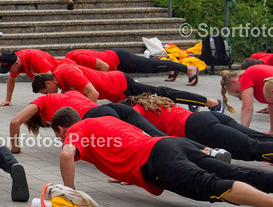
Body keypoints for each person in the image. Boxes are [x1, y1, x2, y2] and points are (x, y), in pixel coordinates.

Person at [50, 110, 273, 207]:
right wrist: (127, 172)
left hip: (159, 160)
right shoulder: (105, 120)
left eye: (59, 136)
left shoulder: (76, 130)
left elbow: (67, 154)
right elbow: (128, 141)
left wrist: (70, 192)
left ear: (62, 129)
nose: (62, 140)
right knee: (241, 175)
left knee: (212, 186)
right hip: (170, 144)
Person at [127, 93, 273, 162]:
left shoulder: (136, 110)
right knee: (256, 138)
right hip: (207, 117)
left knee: (250, 147)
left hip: (198, 126)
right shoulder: (156, 102)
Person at [32, 61, 219, 110]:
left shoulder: (68, 73)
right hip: (116, 91)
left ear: (49, 82)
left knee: (162, 94)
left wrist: (86, 118)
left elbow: (93, 95)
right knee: (154, 105)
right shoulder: (60, 77)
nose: (47, 95)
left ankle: (210, 102)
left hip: (120, 84)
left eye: (45, 92)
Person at [65, 48, 199, 84]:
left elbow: (104, 66)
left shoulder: (76, 58)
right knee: (151, 66)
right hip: (116, 60)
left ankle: (189, 68)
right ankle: (172, 69)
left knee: (152, 66)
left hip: (120, 59)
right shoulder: (70, 57)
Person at [220, 65, 273, 130]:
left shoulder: (245, 76)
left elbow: (247, 108)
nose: (241, 98)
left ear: (234, 81)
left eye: (237, 92)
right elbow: (271, 104)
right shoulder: (253, 73)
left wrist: (242, 132)